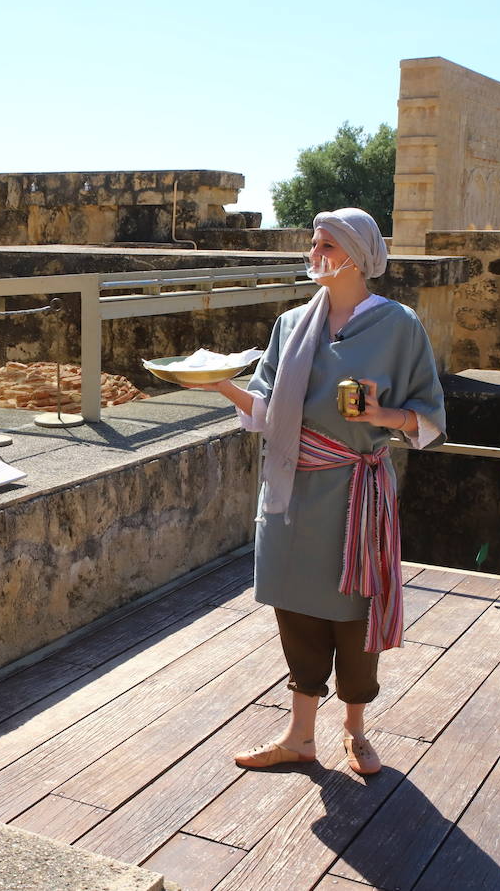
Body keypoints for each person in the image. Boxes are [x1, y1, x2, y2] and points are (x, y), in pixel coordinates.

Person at [185, 207, 446, 775]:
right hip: (291, 490)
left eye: (324, 244)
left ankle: (355, 730)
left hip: (358, 492)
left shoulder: (400, 327)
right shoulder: (290, 326)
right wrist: (217, 383)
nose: (313, 253)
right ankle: (300, 734)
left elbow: (429, 420)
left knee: (355, 612)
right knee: (296, 610)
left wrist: (385, 414)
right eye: (313, 243)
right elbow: (266, 415)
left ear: (355, 254)